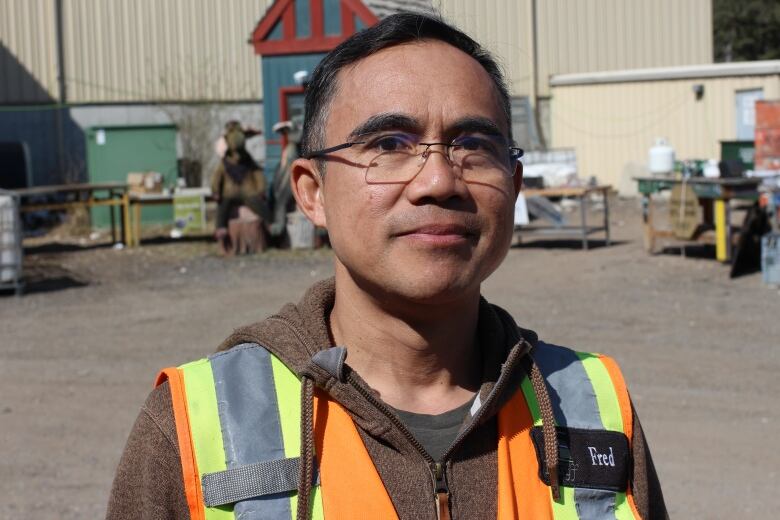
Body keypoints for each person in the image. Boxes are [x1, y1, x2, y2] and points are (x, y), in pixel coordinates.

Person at [107, 13, 666, 520]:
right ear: (313, 193)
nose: (439, 181)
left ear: (513, 186)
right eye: (388, 144)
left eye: (472, 145)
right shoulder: (193, 428)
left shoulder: (591, 407)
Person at [210, 124, 270, 250]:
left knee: (259, 205)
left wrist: (261, 189)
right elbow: (217, 176)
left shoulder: (247, 159)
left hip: (248, 190)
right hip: (229, 191)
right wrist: (215, 191)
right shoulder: (225, 161)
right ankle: (221, 228)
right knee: (223, 206)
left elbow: (257, 173)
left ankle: (271, 224)